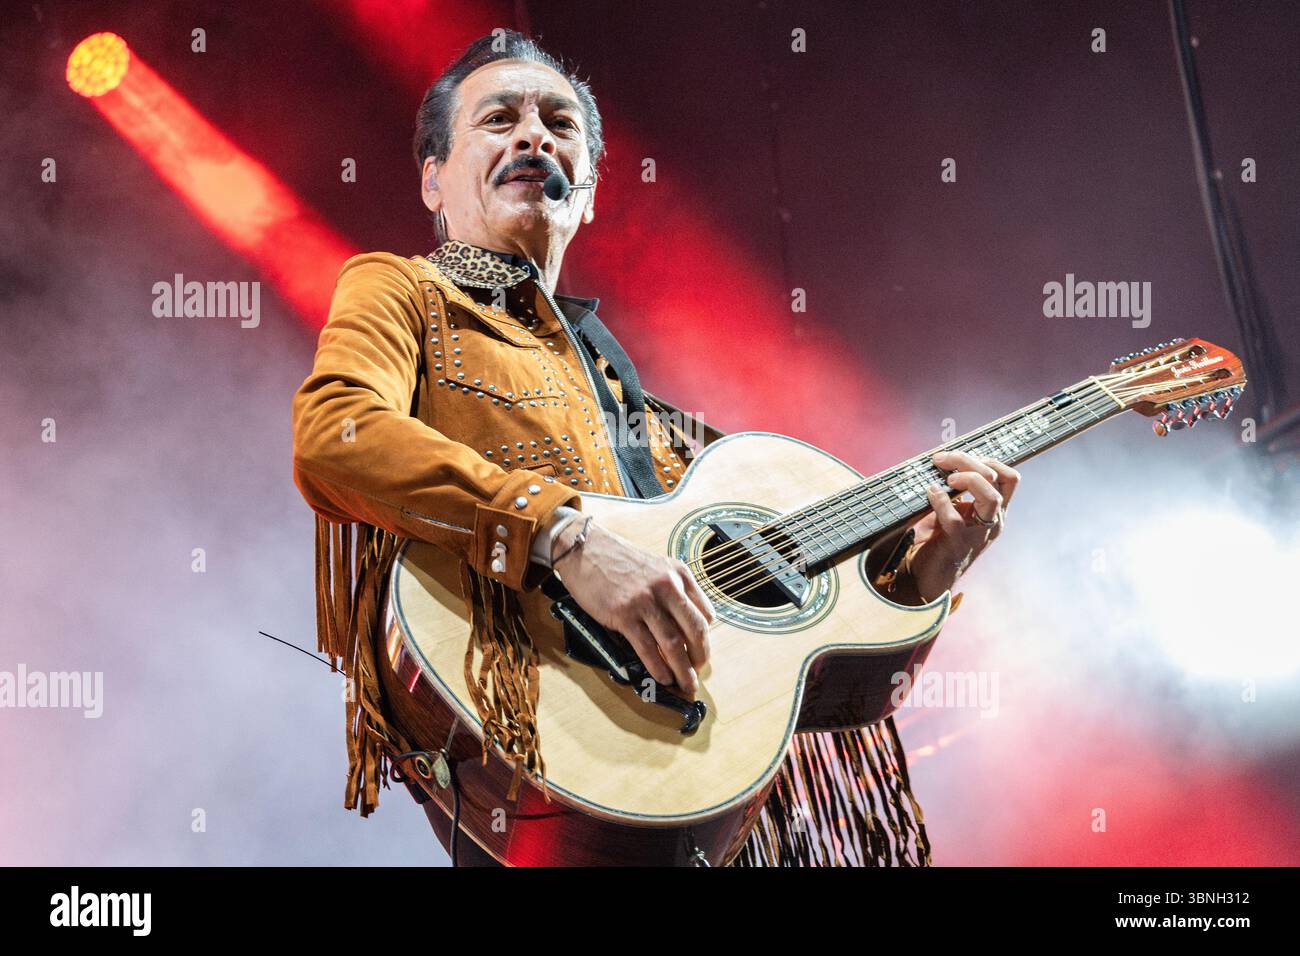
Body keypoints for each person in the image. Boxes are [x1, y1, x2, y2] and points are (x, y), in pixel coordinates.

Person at [291, 30, 1019, 867]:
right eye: (500, 119)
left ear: (591, 192)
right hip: (545, 737)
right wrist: (565, 537)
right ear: (433, 179)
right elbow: (334, 435)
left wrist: (924, 570)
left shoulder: (638, 406)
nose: (535, 136)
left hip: (707, 789)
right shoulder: (401, 288)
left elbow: (811, 662)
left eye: (559, 124)